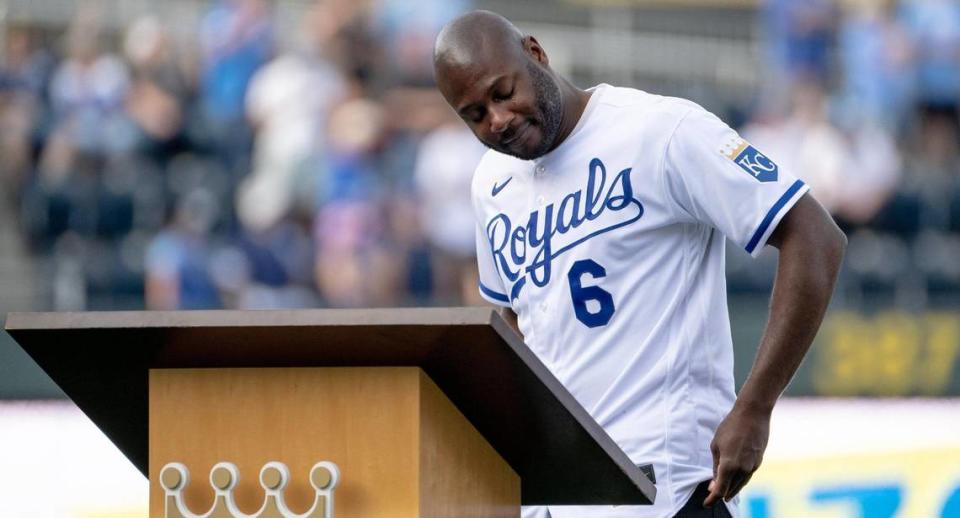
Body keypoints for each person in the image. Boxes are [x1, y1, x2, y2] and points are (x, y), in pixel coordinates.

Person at [433, 11, 846, 518]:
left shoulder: (660, 130)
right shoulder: (489, 183)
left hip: (671, 486)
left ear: (536, 54)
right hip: (561, 498)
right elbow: (514, 321)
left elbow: (815, 235)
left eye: (502, 92)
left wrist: (756, 406)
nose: (496, 120)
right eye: (474, 115)